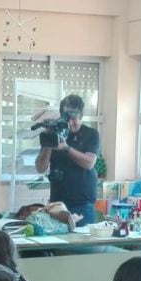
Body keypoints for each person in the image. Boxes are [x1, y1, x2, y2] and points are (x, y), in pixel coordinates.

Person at [35, 94, 101, 225]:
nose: (70, 123)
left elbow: (89, 163)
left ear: (81, 115)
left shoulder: (91, 134)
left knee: (82, 243)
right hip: (57, 204)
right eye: (66, 118)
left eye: (74, 118)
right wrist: (49, 143)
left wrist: (66, 148)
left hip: (82, 204)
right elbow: (40, 167)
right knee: (57, 243)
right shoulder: (55, 131)